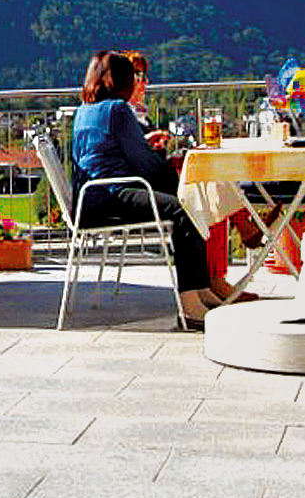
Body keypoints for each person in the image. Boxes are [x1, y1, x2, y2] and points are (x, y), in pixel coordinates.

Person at [72, 51, 251, 329]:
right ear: (122, 80)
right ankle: (191, 305)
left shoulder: (84, 111)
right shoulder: (117, 109)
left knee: (183, 206)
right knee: (183, 210)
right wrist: (174, 181)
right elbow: (145, 164)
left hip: (91, 198)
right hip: (111, 195)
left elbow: (111, 154)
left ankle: (202, 290)